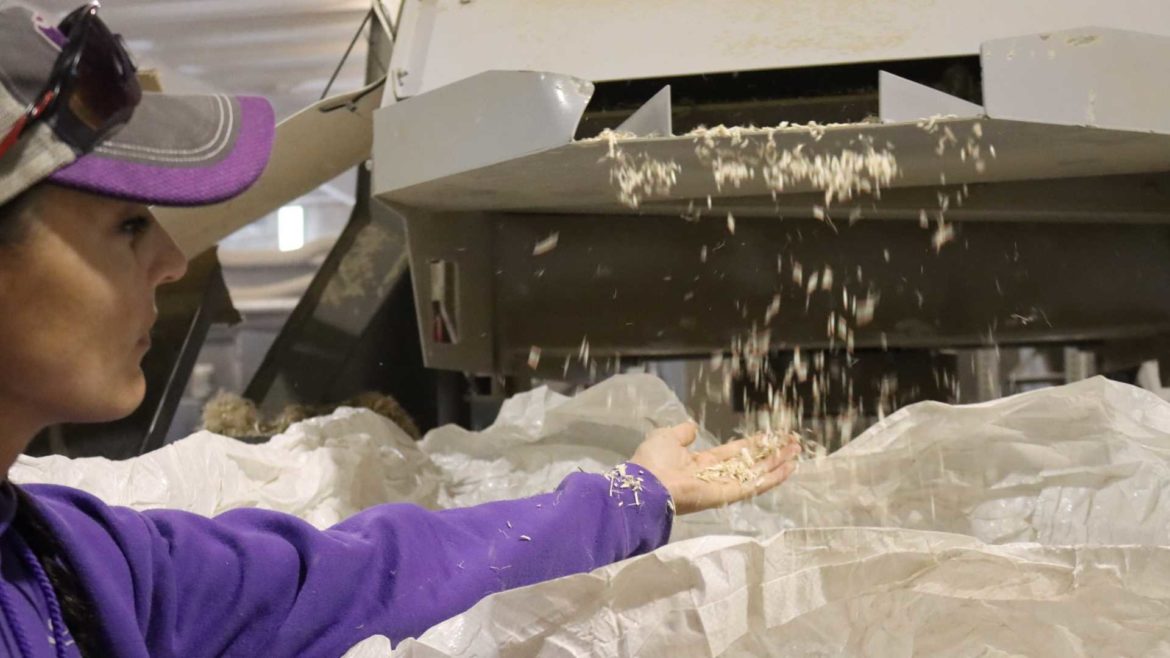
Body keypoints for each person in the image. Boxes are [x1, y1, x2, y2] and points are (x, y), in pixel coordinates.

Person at [0, 3, 801, 657]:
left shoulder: (69, 567)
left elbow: (363, 578)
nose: (172, 265)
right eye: (128, 226)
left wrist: (638, 495)